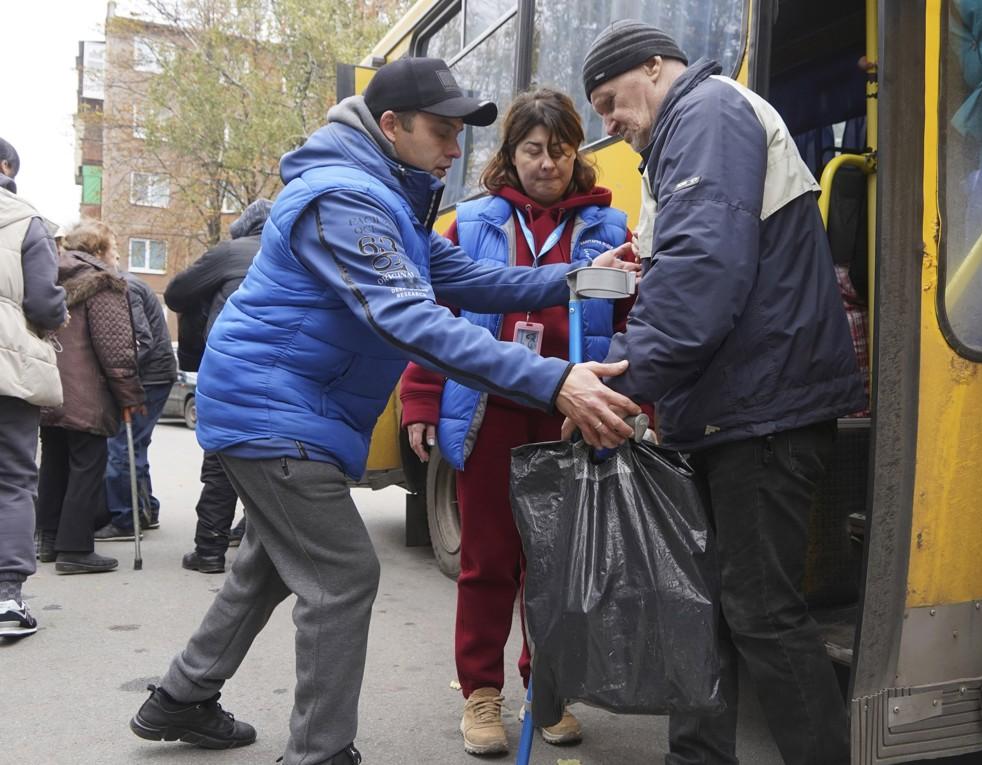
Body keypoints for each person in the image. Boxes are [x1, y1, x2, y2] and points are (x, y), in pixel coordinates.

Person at [130, 57, 640, 765]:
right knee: (342, 576)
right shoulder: (346, 199)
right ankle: (320, 750)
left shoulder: (390, 196)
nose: (456, 149)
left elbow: (468, 277)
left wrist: (579, 275)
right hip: (270, 410)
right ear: (392, 126)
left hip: (288, 407)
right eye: (442, 131)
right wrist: (554, 380)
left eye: (461, 133)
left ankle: (179, 697)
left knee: (270, 565)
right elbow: (411, 318)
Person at [581, 21, 866, 765]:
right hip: (727, 410)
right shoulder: (685, 133)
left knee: (760, 611)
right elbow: (694, 267)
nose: (607, 123)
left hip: (759, 412)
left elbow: (704, 274)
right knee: (701, 604)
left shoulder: (704, 114)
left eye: (611, 101)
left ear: (654, 67)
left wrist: (624, 380)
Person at [399, 87, 633, 755]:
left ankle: (547, 689)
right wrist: (420, 399)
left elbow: (627, 329)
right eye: (532, 150)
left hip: (569, 418)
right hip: (488, 413)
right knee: (487, 562)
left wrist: (631, 400)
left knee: (555, 566)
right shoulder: (471, 223)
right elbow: (432, 317)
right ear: (510, 154)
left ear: (576, 154)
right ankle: (480, 695)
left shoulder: (609, 231)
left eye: (560, 150)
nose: (546, 163)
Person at [163, 198, 272, 573]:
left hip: (232, 366)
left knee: (222, 456)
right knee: (272, 457)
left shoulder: (230, 252)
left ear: (242, 229)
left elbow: (176, 294)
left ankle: (209, 550)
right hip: (287, 370)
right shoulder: (300, 252)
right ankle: (259, 543)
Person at [35, 219, 145, 575]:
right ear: (98, 251)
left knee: (53, 463)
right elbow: (116, 350)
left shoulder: (46, 277)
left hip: (49, 387)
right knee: (86, 467)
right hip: (87, 393)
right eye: (113, 248)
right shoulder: (105, 284)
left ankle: (48, 539)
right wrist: (129, 395)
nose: (116, 256)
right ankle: (75, 549)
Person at [0, 138, 67, 637]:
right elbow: (45, 305)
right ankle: (5, 599)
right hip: (7, 368)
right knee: (12, 480)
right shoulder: (26, 221)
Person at [95, 270, 177, 541]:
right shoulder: (125, 283)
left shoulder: (124, 287)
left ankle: (127, 519)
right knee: (135, 446)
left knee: (121, 446)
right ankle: (146, 510)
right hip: (156, 375)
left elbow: (142, 340)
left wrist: (116, 374)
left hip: (149, 378)